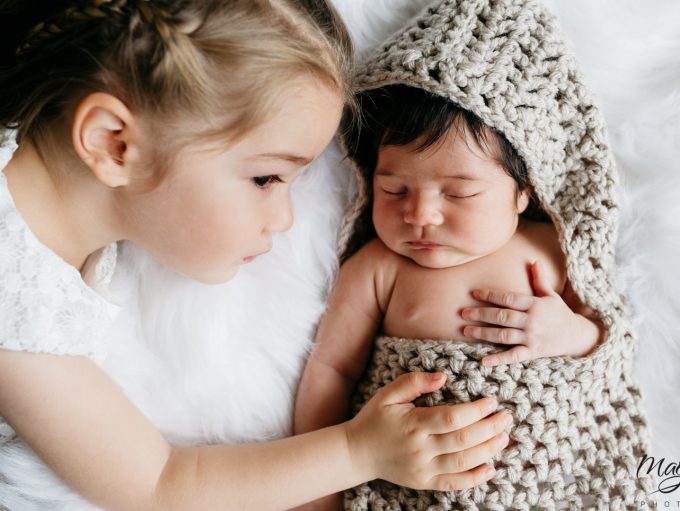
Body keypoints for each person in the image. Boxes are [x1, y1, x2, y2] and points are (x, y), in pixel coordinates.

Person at [0, 1, 515, 509]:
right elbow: (157, 484)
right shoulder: (15, 307)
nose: (286, 218)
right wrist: (360, 450)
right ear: (115, 144)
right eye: (265, 178)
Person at [293, 83, 606, 509]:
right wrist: (318, 489)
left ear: (523, 192)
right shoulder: (377, 267)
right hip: (414, 488)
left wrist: (570, 334)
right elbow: (332, 370)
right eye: (394, 190)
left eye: (459, 193)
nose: (419, 214)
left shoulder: (554, 249)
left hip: (545, 480)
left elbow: (605, 343)